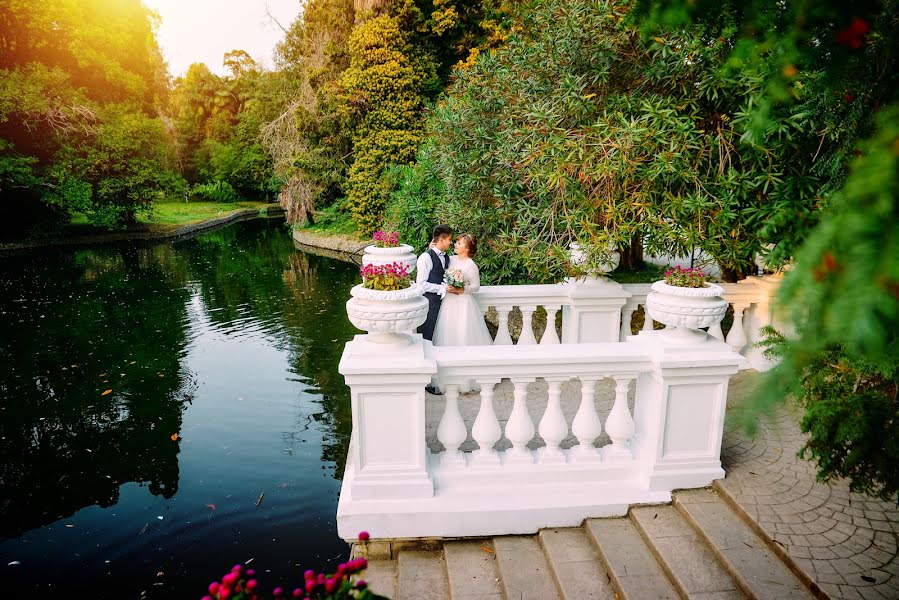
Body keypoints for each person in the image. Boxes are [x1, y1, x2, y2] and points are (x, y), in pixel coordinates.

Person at [431, 234, 493, 347]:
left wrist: (461, 289)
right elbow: (437, 260)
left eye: (459, 243)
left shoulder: (471, 265)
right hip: (449, 301)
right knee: (449, 329)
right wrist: (432, 249)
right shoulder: (450, 259)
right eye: (456, 242)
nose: (455, 244)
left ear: (467, 248)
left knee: (462, 330)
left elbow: (476, 286)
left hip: (463, 303)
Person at [417, 225, 456, 395]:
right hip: (430, 304)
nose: (451, 242)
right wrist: (442, 288)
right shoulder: (425, 258)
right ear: (441, 239)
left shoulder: (447, 258)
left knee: (441, 340)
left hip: (445, 305)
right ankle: (426, 381)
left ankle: (439, 378)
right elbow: (421, 284)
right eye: (449, 239)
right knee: (428, 339)